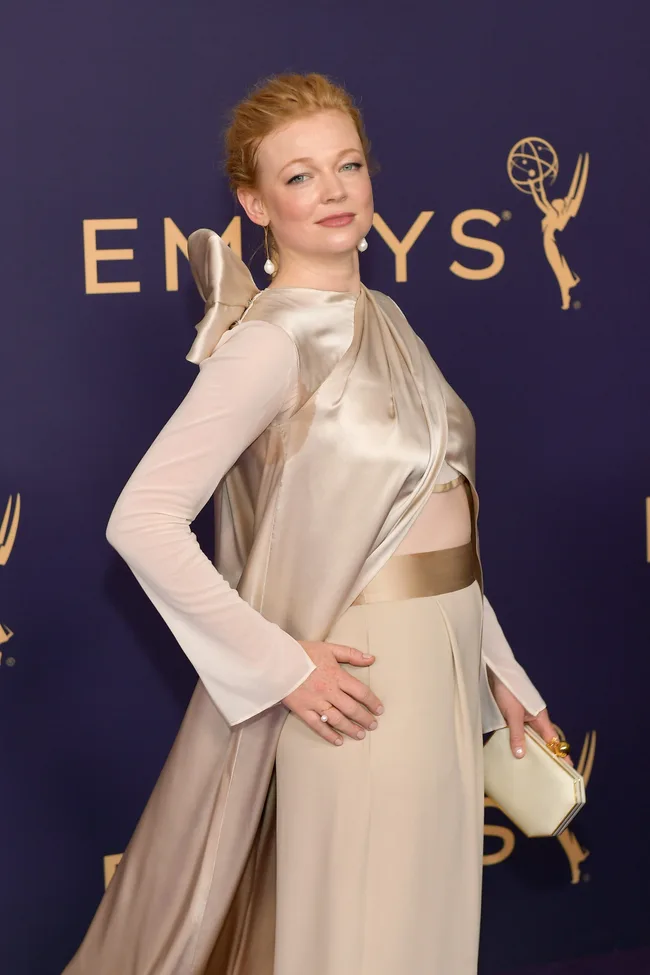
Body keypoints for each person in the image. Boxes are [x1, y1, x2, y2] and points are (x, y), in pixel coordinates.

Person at [62, 72, 570, 975]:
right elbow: (142, 519)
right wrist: (284, 664)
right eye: (299, 176)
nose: (334, 190)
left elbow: (431, 525)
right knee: (363, 940)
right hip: (360, 679)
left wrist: (503, 671)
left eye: (349, 165)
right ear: (255, 203)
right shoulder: (271, 341)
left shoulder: (388, 317)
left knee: (423, 932)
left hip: (446, 659)